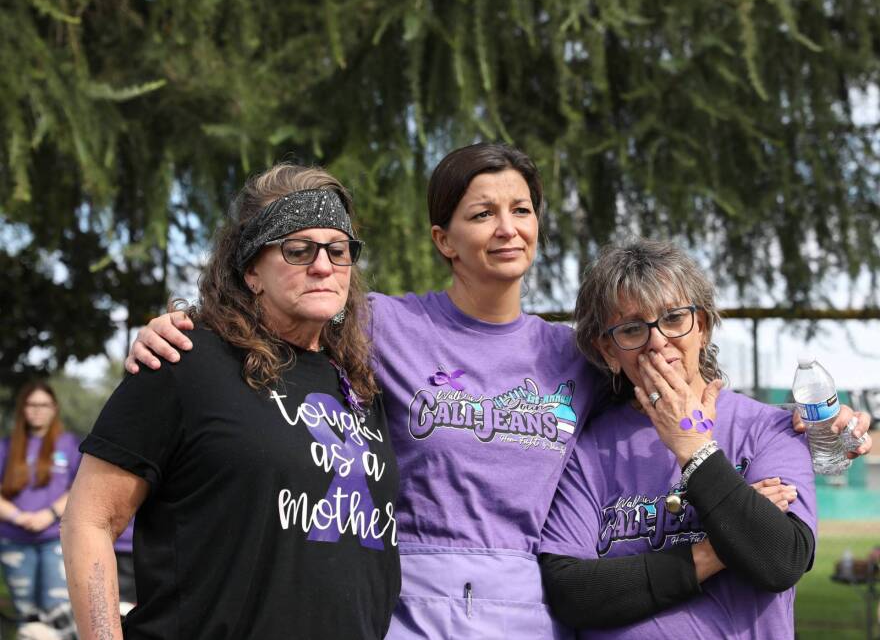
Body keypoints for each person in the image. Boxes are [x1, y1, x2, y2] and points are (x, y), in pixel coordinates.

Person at [123, 144, 873, 638]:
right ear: (443, 238)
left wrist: (824, 429)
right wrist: (182, 328)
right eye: (481, 213)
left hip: (527, 611)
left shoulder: (576, 353)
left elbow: (678, 384)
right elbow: (289, 300)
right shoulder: (383, 323)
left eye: (520, 210)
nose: (506, 227)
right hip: (409, 602)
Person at [61, 165, 400, 640]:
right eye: (297, 250)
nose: (322, 265)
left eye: (337, 250)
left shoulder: (360, 385)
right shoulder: (185, 362)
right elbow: (90, 518)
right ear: (251, 271)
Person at [540, 238, 818, 638]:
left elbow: (779, 559)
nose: (657, 341)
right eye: (632, 329)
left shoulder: (770, 430)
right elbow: (573, 592)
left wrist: (693, 447)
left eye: (673, 319)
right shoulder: (586, 450)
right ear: (609, 351)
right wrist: (714, 551)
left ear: (701, 327)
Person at [0, 381, 80, 631]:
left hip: (55, 539)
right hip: (14, 540)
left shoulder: (70, 445)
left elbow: (80, 489)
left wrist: (49, 514)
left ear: (54, 408)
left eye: (43, 405)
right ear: (23, 409)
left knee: (57, 612)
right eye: (31, 404)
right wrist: (18, 516)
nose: (37, 410)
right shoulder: (6, 447)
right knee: (27, 614)